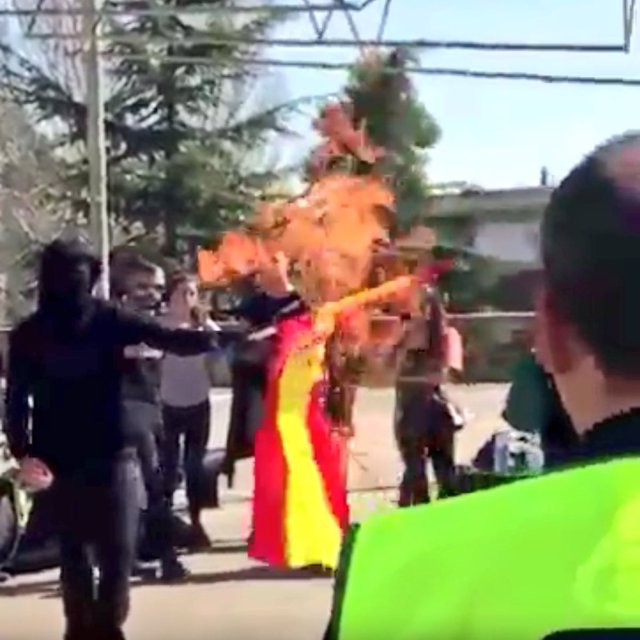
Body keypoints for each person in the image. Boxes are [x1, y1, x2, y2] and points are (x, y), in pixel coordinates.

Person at [325, 134, 640, 639]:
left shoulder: (401, 571)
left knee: (436, 466)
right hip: (417, 405)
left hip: (431, 413)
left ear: (550, 332)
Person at [3, 238, 231, 640]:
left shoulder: (105, 320)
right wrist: (23, 454)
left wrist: (218, 336)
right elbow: (17, 399)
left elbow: (169, 339)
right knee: (83, 555)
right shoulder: (34, 334)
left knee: (111, 554)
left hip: (107, 453)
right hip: (69, 459)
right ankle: (87, 629)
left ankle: (100, 627)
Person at [110, 254, 188, 581]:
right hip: (129, 411)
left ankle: (143, 554)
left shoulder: (152, 322)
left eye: (157, 287)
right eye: (144, 287)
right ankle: (163, 558)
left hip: (152, 408)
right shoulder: (114, 320)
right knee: (152, 487)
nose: (153, 294)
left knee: (161, 484)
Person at [160, 272, 219, 550]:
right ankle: (164, 527)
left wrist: (208, 326)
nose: (186, 298)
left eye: (192, 293)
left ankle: (196, 523)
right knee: (168, 467)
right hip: (167, 404)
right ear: (169, 296)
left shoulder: (203, 327)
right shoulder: (159, 327)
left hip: (198, 402)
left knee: (196, 467)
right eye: (181, 292)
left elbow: (221, 351)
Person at [391, 286, 461, 505]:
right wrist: (402, 343)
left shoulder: (446, 336)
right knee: (416, 475)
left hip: (428, 410)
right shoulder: (404, 337)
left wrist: (410, 376)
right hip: (412, 409)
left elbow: (446, 374)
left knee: (441, 473)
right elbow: (384, 371)